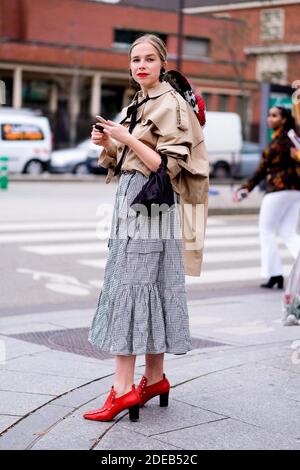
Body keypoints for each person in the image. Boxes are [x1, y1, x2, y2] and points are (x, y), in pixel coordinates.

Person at [83, 34, 209, 422]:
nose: (140, 65)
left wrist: (125, 138)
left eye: (149, 59)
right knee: (150, 284)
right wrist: (107, 142)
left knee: (132, 286)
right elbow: (124, 157)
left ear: (162, 63)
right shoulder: (138, 102)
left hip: (149, 204)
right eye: (135, 59)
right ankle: (153, 378)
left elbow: (166, 165)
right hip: (136, 200)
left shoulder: (170, 104)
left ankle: (123, 389)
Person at [233, 106, 300, 289]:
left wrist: (246, 188)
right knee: (287, 232)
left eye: (274, 116)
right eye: (269, 115)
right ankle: (276, 274)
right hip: (296, 191)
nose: (269, 119)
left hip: (279, 190)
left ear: (284, 119)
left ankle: (274, 274)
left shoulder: (281, 141)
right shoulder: (293, 138)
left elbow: (262, 169)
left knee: (266, 230)